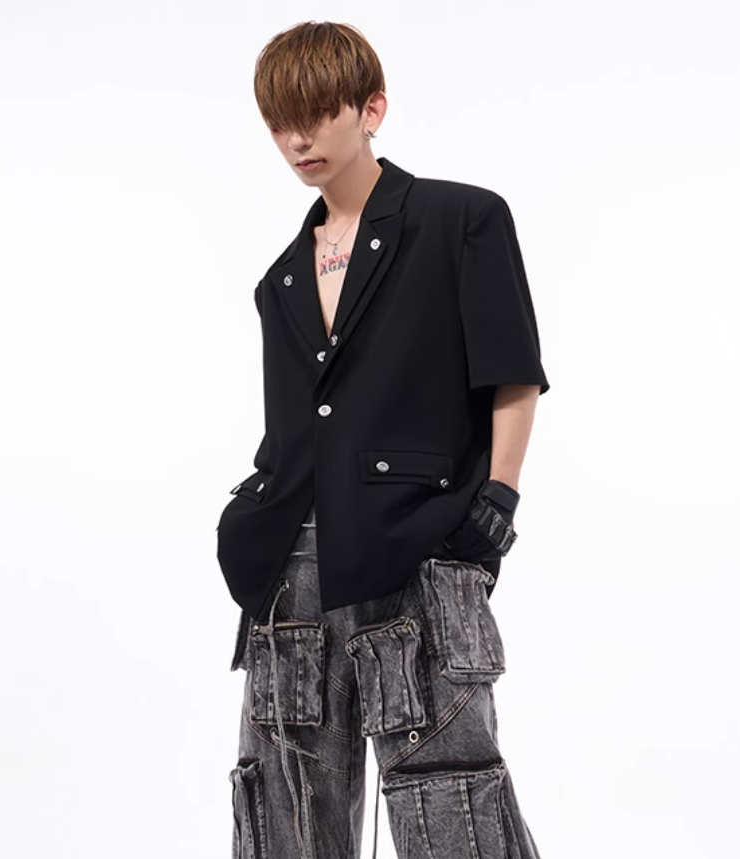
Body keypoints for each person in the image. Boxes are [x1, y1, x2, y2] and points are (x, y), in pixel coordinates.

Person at [219, 20, 550, 859]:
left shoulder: (460, 218)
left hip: (416, 546)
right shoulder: (280, 279)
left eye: (316, 115)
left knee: (451, 800)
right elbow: (294, 427)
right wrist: (246, 521)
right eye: (279, 123)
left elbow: (512, 375)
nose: (296, 140)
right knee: (288, 810)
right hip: (289, 572)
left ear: (371, 109)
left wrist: (498, 502)